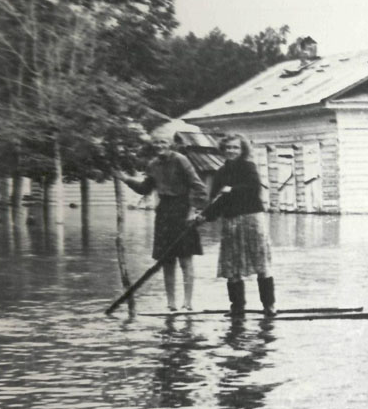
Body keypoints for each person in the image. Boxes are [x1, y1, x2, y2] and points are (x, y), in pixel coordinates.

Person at [116, 127, 207, 311]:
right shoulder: (153, 164)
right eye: (156, 143)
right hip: (164, 213)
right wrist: (125, 179)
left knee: (185, 259)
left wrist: (194, 210)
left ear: (171, 144)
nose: (160, 146)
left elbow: (198, 186)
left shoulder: (181, 160)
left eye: (163, 142)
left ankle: (188, 303)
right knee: (167, 260)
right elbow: (144, 188)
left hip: (183, 210)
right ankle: (171, 303)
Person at [202, 134, 276, 316]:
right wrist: (204, 216)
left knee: (261, 264)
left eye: (235, 148)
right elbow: (215, 202)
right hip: (231, 222)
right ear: (223, 150)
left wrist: (232, 190)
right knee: (232, 266)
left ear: (242, 150)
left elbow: (253, 188)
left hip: (251, 220)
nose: (231, 151)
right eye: (228, 148)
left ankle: (269, 305)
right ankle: (237, 306)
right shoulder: (220, 172)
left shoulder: (248, 167)